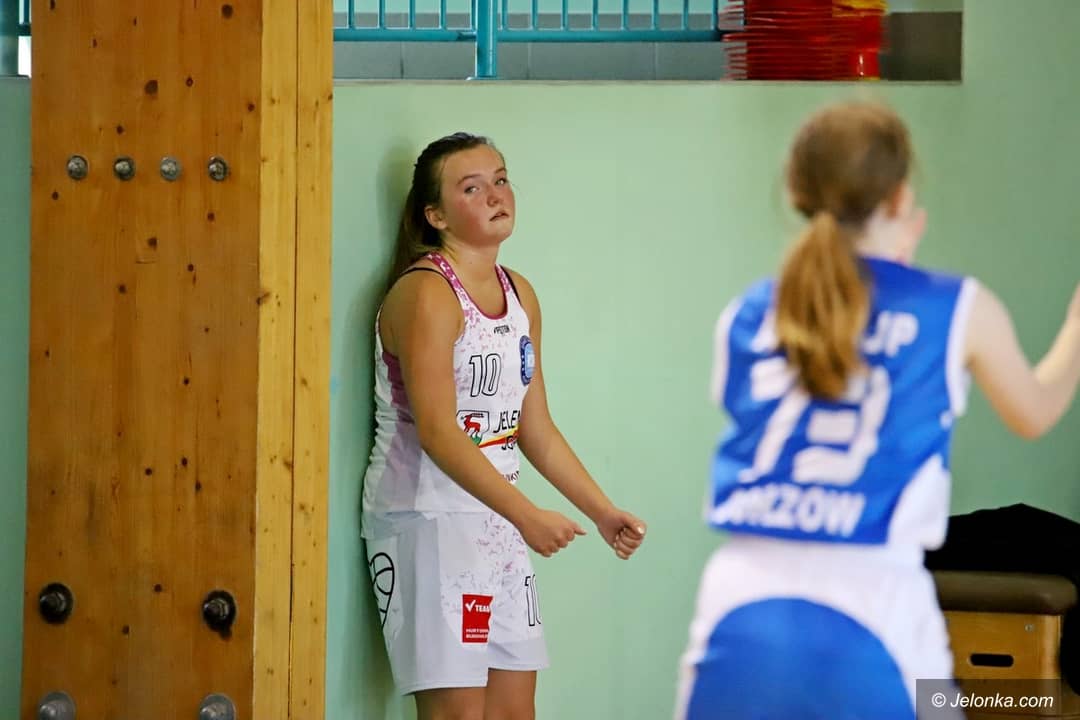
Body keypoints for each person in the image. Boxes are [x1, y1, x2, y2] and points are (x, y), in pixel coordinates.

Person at [675, 100, 1080, 719]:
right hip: (879, 606)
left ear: (798, 195)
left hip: (736, 603)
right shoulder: (955, 307)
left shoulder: (750, 313)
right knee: (937, 703)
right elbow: (1037, 411)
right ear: (900, 200)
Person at [362, 131, 647, 720]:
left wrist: (601, 511)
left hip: (498, 522)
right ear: (436, 215)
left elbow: (533, 426)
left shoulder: (520, 294)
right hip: (429, 521)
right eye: (472, 188)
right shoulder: (426, 292)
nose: (496, 195)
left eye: (500, 179)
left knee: (515, 712)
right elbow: (438, 433)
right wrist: (528, 515)